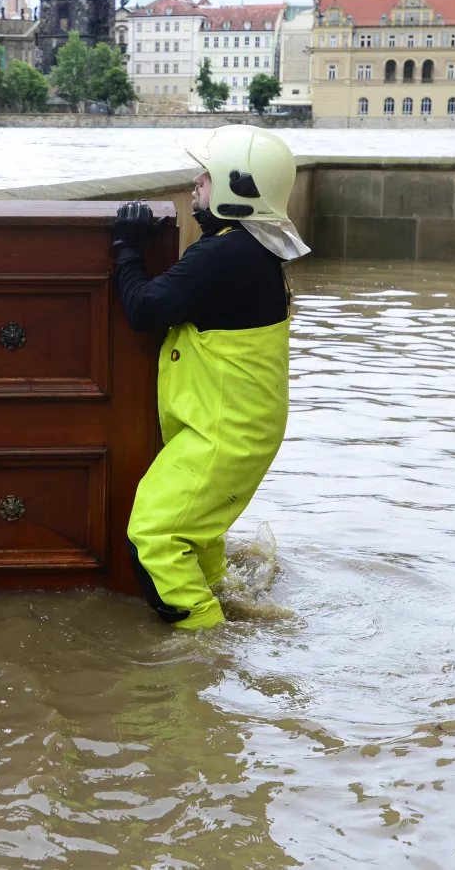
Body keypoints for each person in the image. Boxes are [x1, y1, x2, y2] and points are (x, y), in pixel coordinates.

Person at [111, 125, 309, 630]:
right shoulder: (250, 248)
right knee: (195, 532)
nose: (196, 182)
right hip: (236, 425)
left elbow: (145, 308)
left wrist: (126, 246)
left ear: (236, 188)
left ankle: (204, 645)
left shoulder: (225, 254)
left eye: (208, 175)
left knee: (155, 535)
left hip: (224, 432)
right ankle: (229, 603)